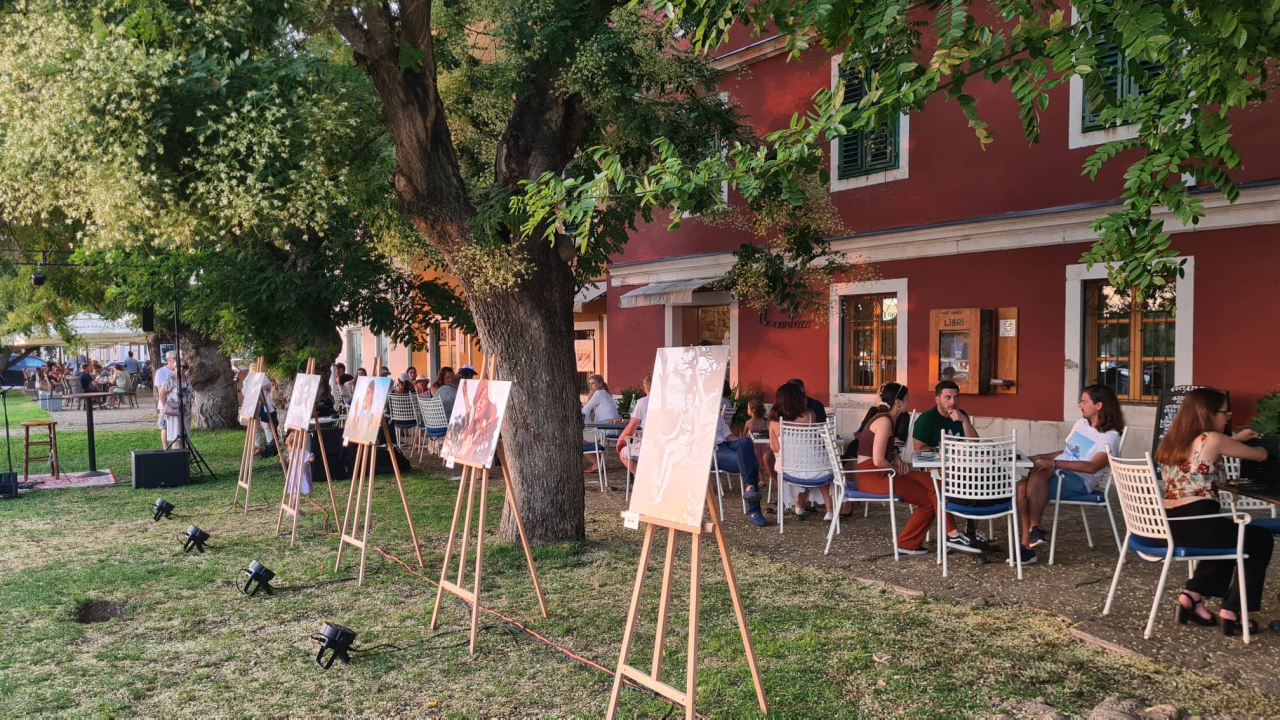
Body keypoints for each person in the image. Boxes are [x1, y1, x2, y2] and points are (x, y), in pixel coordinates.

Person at [1154, 387, 1271, 635]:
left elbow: (1203, 451)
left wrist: (1235, 439)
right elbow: (1259, 455)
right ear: (1206, 413)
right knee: (1260, 540)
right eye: (1224, 412)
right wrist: (1265, 447)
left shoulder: (1171, 442)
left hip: (1168, 527)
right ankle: (1233, 610)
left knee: (1226, 534)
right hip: (1197, 523)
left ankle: (1192, 596)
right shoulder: (1213, 438)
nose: (1227, 418)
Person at [847, 383, 965, 556]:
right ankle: (949, 535)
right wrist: (896, 469)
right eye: (907, 398)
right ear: (898, 402)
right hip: (873, 477)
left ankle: (916, 541)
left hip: (881, 472)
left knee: (933, 482)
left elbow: (880, 451)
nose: (909, 401)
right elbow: (878, 460)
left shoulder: (887, 419)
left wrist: (895, 456)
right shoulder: (884, 421)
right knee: (930, 495)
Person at [1016, 384, 1126, 565]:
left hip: (1080, 480)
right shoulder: (1081, 424)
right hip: (1058, 472)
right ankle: (1031, 537)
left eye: (1084, 402)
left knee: (1032, 480)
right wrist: (1038, 457)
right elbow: (1067, 452)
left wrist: (1051, 464)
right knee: (1022, 486)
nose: (1079, 405)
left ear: (1099, 405)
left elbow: (1092, 467)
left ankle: (1029, 541)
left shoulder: (1110, 436)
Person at [769, 382, 831, 524]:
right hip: (815, 468)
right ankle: (829, 511)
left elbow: (775, 448)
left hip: (789, 469)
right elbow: (815, 440)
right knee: (818, 466)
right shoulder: (810, 416)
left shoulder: (774, 422)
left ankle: (798, 507)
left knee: (800, 468)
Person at [712, 381, 768, 527]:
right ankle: (754, 510)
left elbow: (727, 434)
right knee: (751, 462)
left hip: (725, 444)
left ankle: (750, 490)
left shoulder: (715, 412)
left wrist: (743, 443)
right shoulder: (692, 414)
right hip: (713, 451)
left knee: (745, 442)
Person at [912, 380, 977, 451]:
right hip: (936, 458)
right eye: (948, 397)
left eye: (956, 397)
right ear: (937, 400)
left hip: (960, 457)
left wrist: (965, 421)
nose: (953, 402)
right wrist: (946, 450)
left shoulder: (962, 415)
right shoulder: (925, 419)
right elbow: (919, 450)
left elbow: (975, 444)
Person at [582, 374, 621, 474]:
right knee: (585, 436)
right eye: (590, 384)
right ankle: (598, 461)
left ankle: (596, 463)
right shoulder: (605, 393)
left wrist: (586, 426)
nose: (591, 386)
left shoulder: (599, 393)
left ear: (600, 384)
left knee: (577, 439)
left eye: (593, 383)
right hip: (611, 427)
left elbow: (585, 410)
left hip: (606, 428)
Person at [615, 374, 651, 475]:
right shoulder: (670, 402)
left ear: (644, 389)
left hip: (649, 445)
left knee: (623, 453)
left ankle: (643, 479)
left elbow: (630, 430)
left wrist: (620, 441)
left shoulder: (643, 402)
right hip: (670, 445)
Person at [159, 360, 194, 446]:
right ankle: (176, 451)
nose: (181, 368)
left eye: (184, 367)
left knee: (186, 434)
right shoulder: (170, 379)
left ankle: (185, 452)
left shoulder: (188, 378)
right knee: (176, 436)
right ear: (174, 367)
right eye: (179, 366)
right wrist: (166, 408)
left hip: (186, 410)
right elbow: (162, 394)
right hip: (174, 411)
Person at [154, 351, 177, 447]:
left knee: (177, 427)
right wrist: (164, 407)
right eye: (175, 358)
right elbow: (160, 391)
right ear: (168, 360)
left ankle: (176, 448)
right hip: (166, 403)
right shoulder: (161, 372)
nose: (177, 360)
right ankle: (165, 448)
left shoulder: (180, 371)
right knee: (165, 426)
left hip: (178, 404)